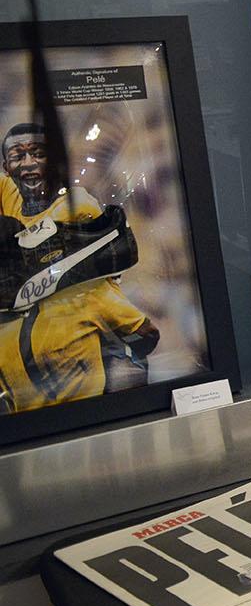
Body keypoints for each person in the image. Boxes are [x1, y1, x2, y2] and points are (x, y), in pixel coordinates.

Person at [0, 123, 159, 410]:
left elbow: (139, 331)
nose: (28, 163)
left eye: (38, 153)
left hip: (82, 322)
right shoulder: (10, 198)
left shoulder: (76, 207)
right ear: (6, 167)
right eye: (17, 156)